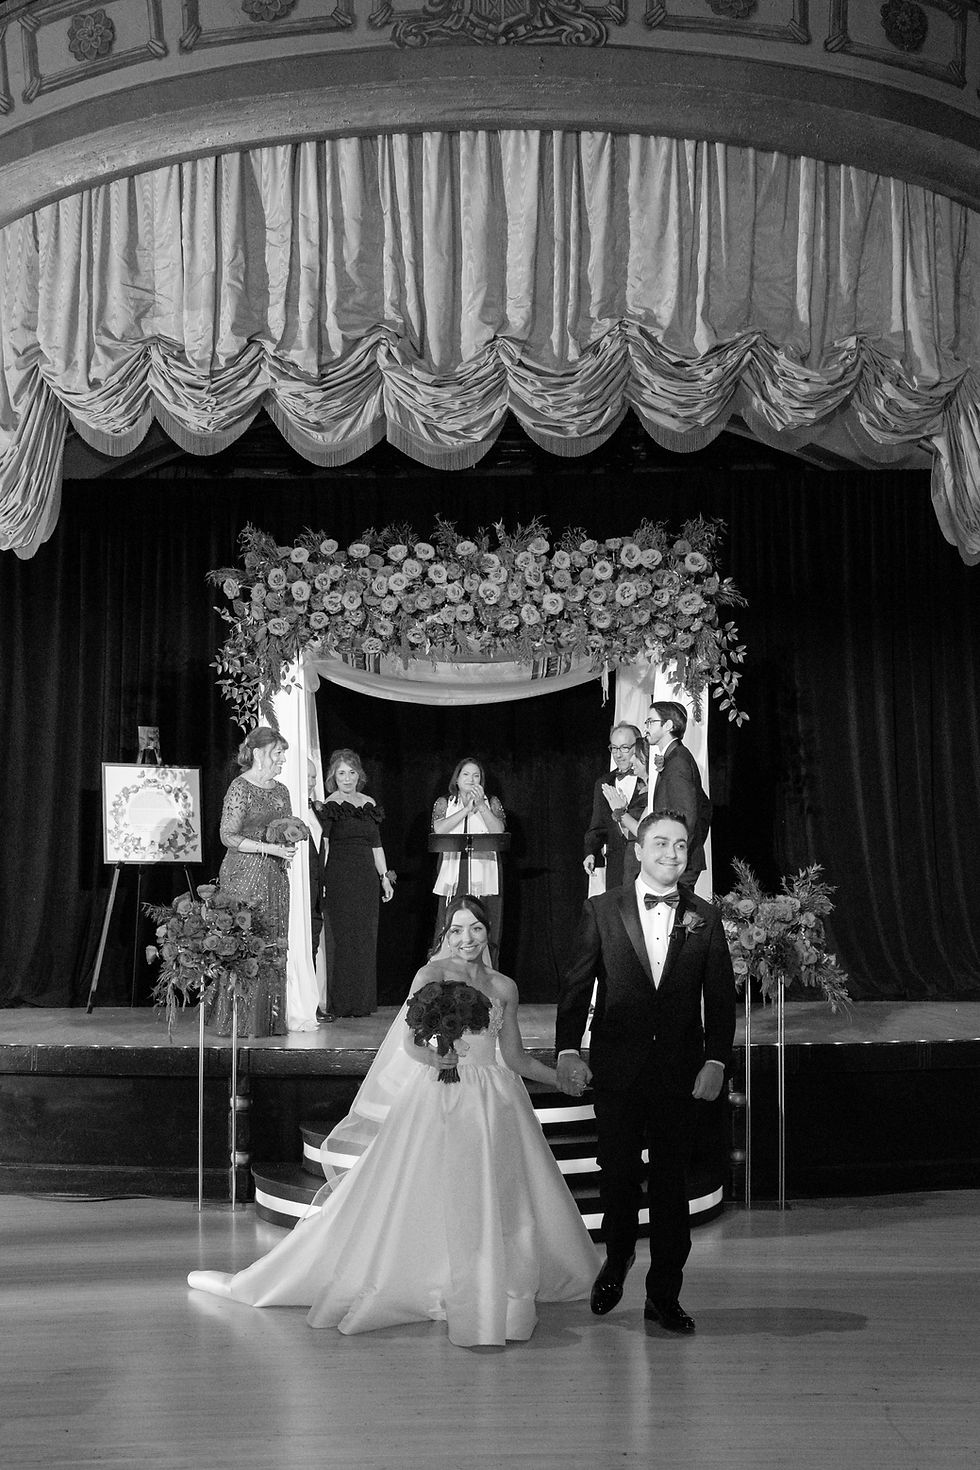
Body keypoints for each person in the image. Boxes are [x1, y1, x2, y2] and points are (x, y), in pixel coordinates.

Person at [188, 896, 599, 1348]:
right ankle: (438, 1282)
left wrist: (558, 1078)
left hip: (495, 1100)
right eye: (458, 930)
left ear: (487, 933)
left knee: (494, 1194)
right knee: (436, 1191)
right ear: (446, 934)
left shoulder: (503, 986)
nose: (467, 939)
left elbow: (516, 1057)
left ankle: (491, 1284)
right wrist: (438, 1056)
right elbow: (410, 1045)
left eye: (476, 929)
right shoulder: (431, 976)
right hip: (442, 1094)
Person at [556, 811, 736, 1334]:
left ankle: (664, 1293)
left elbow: (719, 999)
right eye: (661, 843)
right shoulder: (601, 909)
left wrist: (716, 1059)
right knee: (616, 1174)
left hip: (680, 1072)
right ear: (638, 847)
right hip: (618, 1068)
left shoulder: (705, 916)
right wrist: (569, 1049)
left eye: (680, 846)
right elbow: (577, 985)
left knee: (670, 1184)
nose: (672, 854)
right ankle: (617, 1258)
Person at [208, 726, 298, 1037]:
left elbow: (286, 828)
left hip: (274, 876)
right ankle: (237, 1021)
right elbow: (227, 836)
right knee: (245, 943)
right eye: (277, 753)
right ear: (258, 754)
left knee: (273, 943)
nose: (282, 759)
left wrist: (287, 846)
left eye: (283, 753)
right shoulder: (240, 787)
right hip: (243, 873)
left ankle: (268, 1020)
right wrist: (268, 847)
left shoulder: (282, 790)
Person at [317, 748, 393, 1018]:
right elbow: (323, 845)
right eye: (341, 773)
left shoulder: (369, 803)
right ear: (333, 776)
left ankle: (362, 1002)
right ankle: (341, 1003)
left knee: (364, 939)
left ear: (358, 775)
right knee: (343, 940)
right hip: (339, 877)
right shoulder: (329, 805)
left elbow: (376, 845)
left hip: (365, 880)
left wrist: (385, 877)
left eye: (351, 772)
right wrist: (321, 880)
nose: (347, 778)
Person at [431, 758, 506, 956]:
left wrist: (481, 806)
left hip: (484, 872)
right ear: (457, 779)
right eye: (466, 774)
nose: (471, 779)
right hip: (454, 873)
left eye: (476, 775)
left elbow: (498, 831)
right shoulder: (445, 802)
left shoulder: (492, 802)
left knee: (482, 922)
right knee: (450, 924)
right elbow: (438, 830)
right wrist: (465, 810)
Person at [583, 723, 649, 891]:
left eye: (625, 748)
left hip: (645, 865)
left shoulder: (650, 780)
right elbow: (597, 826)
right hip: (616, 867)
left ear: (639, 746)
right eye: (614, 748)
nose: (618, 755)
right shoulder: (603, 783)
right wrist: (590, 852)